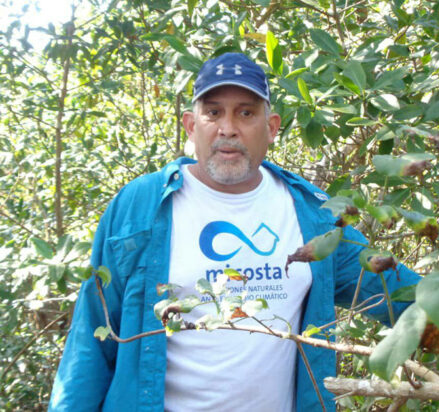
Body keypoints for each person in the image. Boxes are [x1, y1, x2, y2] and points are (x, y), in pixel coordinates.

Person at [49, 53, 420, 412]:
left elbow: (396, 292)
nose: (228, 128)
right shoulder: (140, 205)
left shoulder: (312, 213)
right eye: (213, 112)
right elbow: (91, 340)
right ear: (192, 126)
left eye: (245, 112)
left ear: (271, 127)